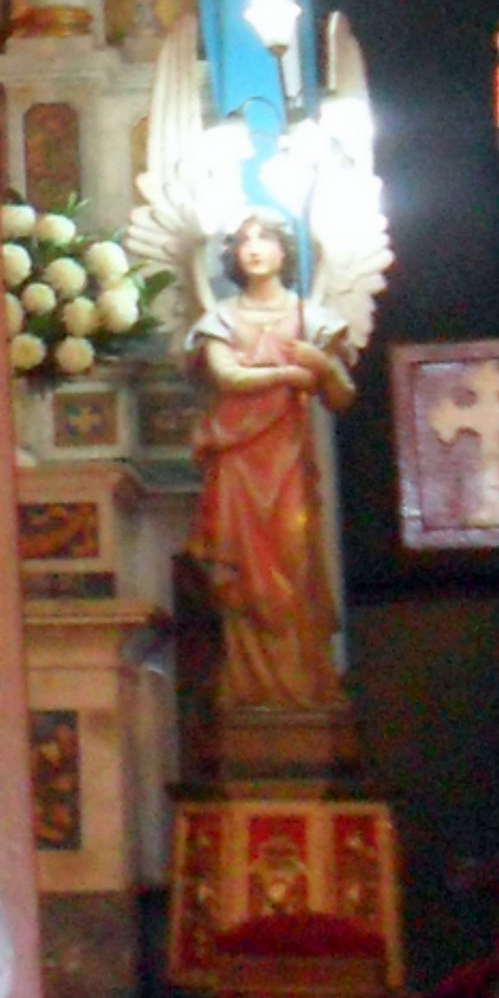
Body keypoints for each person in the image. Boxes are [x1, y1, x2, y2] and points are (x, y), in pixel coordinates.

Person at [188, 206, 358, 722]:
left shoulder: (313, 319)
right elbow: (227, 377)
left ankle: (301, 686)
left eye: (265, 238)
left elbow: (342, 396)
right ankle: (250, 688)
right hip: (239, 464)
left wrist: (322, 364)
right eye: (244, 240)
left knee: (293, 559)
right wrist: (290, 372)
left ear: (285, 250)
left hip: (287, 463)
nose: (254, 248)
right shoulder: (219, 320)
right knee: (242, 575)